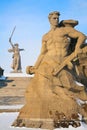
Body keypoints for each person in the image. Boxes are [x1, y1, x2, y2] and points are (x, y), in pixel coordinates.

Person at [13, 11, 87, 129]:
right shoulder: (45, 36)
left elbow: (82, 36)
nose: (56, 20)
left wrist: (77, 48)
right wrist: (35, 66)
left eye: (57, 18)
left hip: (61, 62)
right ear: (49, 19)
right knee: (39, 87)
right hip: (47, 62)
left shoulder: (64, 31)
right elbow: (42, 53)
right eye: (54, 18)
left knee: (64, 87)